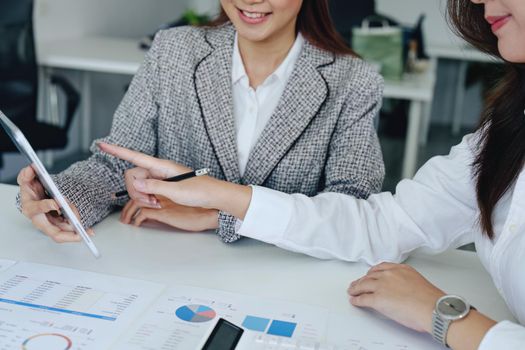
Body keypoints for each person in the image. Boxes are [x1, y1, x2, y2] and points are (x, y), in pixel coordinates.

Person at [96, 0, 525, 348]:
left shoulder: (351, 78)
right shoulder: (505, 130)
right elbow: (384, 223)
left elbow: (355, 197)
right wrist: (222, 198)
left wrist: (448, 318)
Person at [16, 0, 385, 243]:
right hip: (172, 268)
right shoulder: (173, 49)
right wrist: (57, 198)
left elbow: (351, 209)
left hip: (285, 278)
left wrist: (218, 216)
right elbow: (118, 162)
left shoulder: (353, 81)